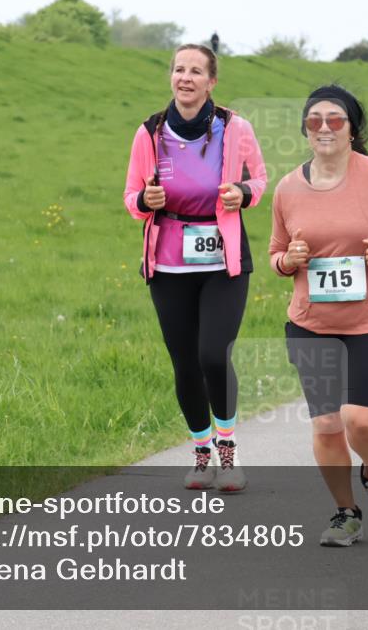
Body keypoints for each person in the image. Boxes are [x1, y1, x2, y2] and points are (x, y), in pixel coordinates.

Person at [271, 85, 368, 546]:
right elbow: (276, 255)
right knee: (325, 423)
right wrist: (289, 260)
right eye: (315, 119)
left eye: (335, 119)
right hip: (311, 323)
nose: (324, 127)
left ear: (352, 128)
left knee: (359, 419)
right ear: (305, 128)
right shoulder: (287, 188)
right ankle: (345, 512)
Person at [124, 43, 267, 489]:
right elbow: (131, 196)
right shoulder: (149, 132)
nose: (185, 78)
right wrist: (144, 202)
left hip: (221, 256)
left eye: (195, 71)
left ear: (211, 81)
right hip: (168, 262)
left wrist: (242, 194)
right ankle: (201, 450)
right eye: (178, 69)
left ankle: (228, 450)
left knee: (213, 354)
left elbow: (258, 178)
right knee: (184, 361)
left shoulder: (235, 127)